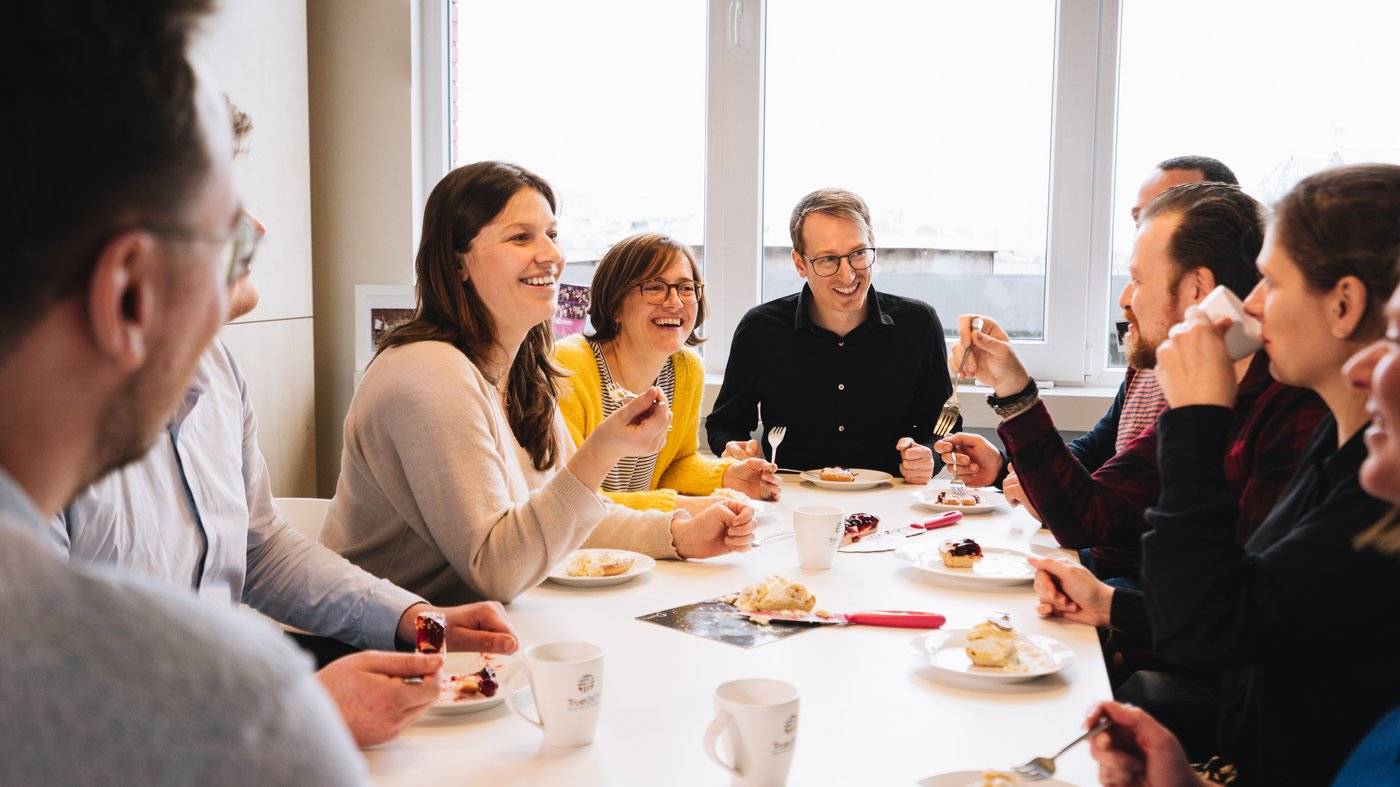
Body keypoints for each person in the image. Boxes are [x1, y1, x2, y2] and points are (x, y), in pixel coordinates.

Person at [51, 104, 518, 748]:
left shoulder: (213, 366)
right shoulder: (29, 430)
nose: (257, 228)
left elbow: (258, 548)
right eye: (219, 206)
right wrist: (291, 710)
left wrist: (412, 615)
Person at [0, 1, 366, 782]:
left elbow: (260, 544)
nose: (247, 287)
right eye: (229, 239)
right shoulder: (226, 718)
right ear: (130, 293)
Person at [1038, 164, 1400, 784]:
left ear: (1344, 305)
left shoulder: (1370, 487)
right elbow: (1261, 620)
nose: (1252, 305)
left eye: (1271, 282)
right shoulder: (1337, 452)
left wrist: (1198, 419)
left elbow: (1206, 626)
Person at [321, 162, 756, 606]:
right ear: (457, 264)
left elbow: (569, 519)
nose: (550, 255)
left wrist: (679, 534)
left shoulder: (525, 370)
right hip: (376, 644)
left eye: (551, 234)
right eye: (520, 237)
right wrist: (603, 450)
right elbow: (497, 568)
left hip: (468, 628)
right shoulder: (427, 373)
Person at [940, 182, 1324, 581]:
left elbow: (1223, 603)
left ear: (1198, 290)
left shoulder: (1281, 410)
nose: (1125, 297)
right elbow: (1091, 500)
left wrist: (1113, 607)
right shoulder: (1192, 382)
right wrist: (1013, 399)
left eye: (1138, 280)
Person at [1001, 156, 1241, 517]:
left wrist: (1016, 393)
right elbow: (1100, 449)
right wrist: (1004, 465)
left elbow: (1091, 514)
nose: (1125, 300)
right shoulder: (1149, 346)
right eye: (1139, 217)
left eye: (1165, 209)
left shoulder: (1219, 367)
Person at [705, 188, 951, 483]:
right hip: (793, 500)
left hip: (892, 499)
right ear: (800, 264)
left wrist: (929, 455)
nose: (847, 275)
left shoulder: (919, 324)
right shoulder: (761, 328)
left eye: (858, 254)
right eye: (828, 260)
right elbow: (725, 424)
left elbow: (944, 426)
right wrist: (733, 449)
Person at [556, 233, 780, 510]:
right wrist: (683, 507)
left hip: (641, 543)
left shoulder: (685, 368)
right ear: (614, 303)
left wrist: (726, 475)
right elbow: (572, 499)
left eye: (686, 288)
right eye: (654, 287)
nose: (674, 302)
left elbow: (674, 466)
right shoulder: (570, 364)